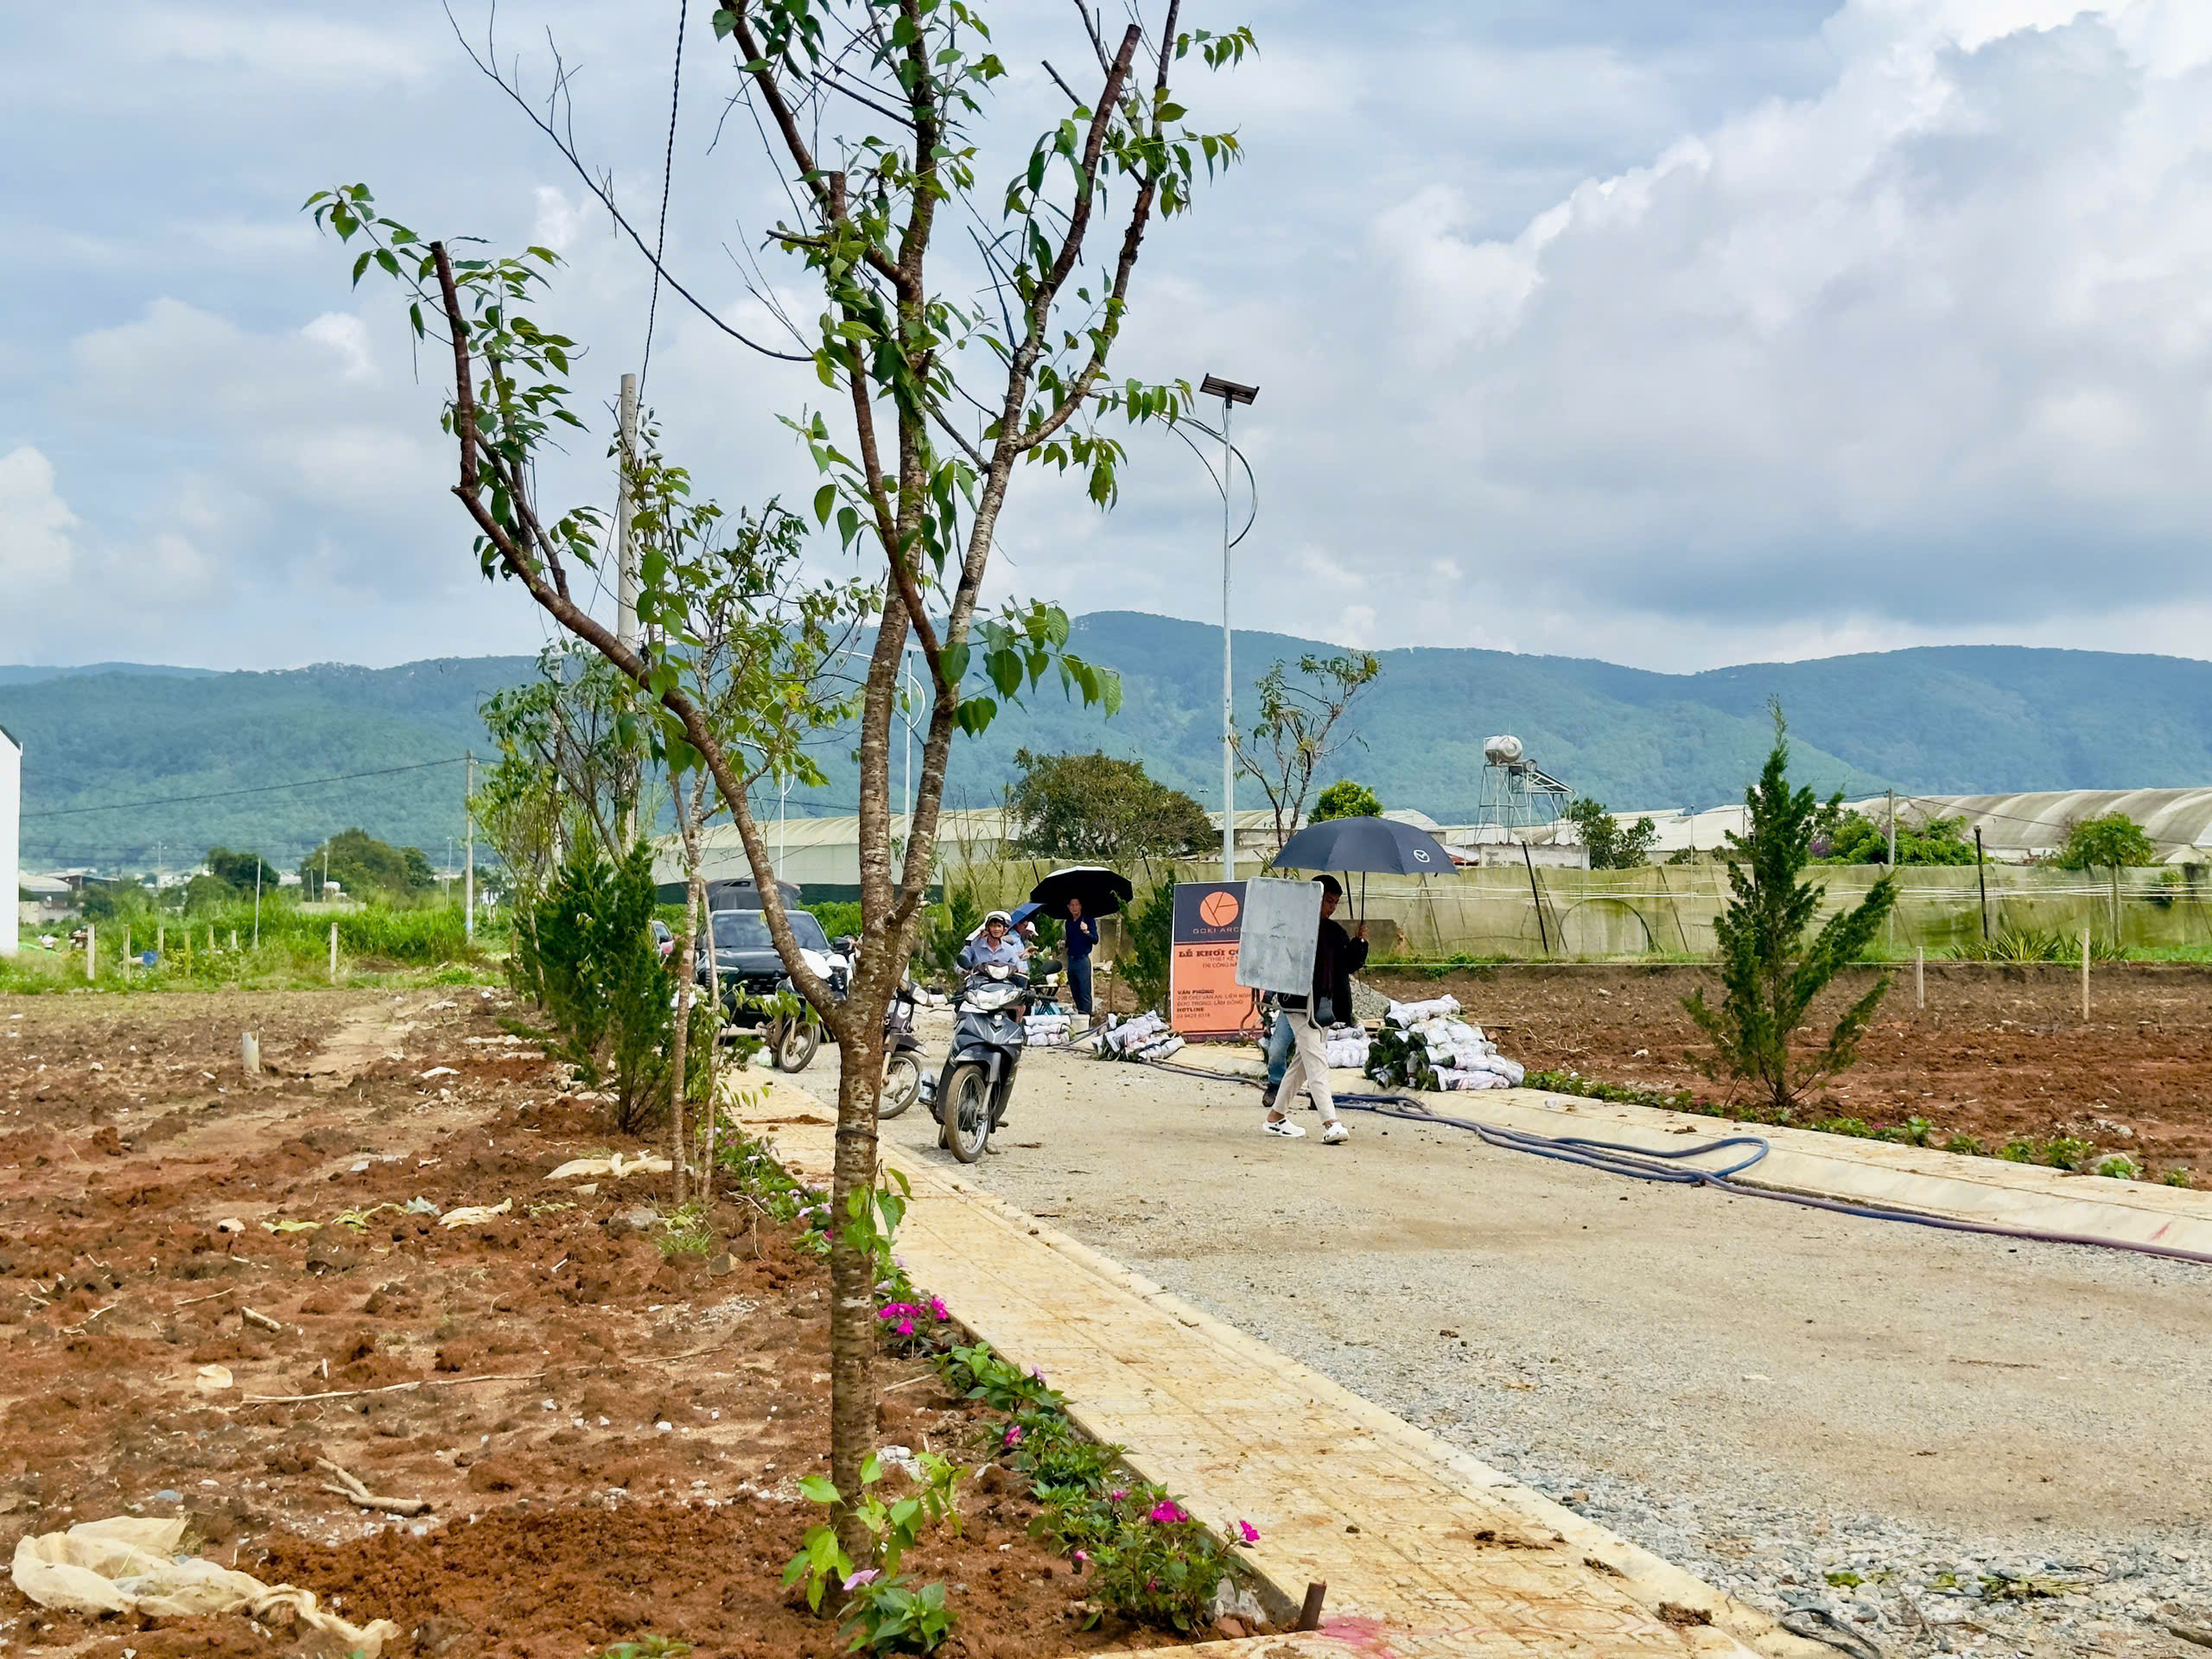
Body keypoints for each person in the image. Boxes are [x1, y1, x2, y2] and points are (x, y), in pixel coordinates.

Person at [1263, 875, 1368, 1144]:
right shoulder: (1292, 928)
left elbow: (1346, 965)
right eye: (1327, 901)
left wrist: (1360, 944)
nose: (1331, 907)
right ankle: (1330, 1122)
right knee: (1317, 1060)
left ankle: (1276, 1117)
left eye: (1335, 903)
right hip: (1297, 1004)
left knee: (1302, 1062)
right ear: (1314, 898)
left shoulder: (1334, 932)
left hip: (1322, 1006)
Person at [959, 910, 1028, 974]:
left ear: (1005, 930)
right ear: (987, 928)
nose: (996, 929)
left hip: (1003, 985)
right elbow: (961, 960)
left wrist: (1021, 970)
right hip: (978, 984)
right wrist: (964, 970)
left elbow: (1018, 966)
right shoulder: (974, 945)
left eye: (999, 926)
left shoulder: (1009, 949)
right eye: (993, 926)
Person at [1063, 895, 1098, 1016]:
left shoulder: (1088, 920)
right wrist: (1063, 943)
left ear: (1081, 906)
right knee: (1075, 992)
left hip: (1082, 960)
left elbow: (1095, 939)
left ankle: (1086, 1020)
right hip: (1071, 960)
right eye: (1072, 905)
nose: (1074, 907)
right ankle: (1080, 1016)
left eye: (1076, 904)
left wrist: (1086, 931)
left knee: (1084, 992)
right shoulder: (1068, 923)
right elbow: (1070, 941)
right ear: (1068, 907)